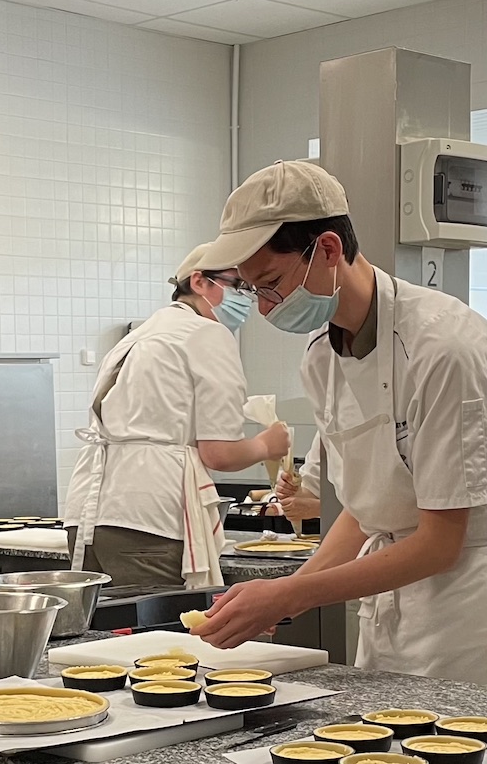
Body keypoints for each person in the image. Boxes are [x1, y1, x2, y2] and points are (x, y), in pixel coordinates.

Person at [194, 159, 487, 685]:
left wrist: (289, 593)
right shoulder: (321, 357)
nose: (264, 310)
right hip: (391, 604)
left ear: (327, 249)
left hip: (466, 607)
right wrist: (286, 601)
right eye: (254, 292)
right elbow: (364, 508)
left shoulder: (443, 349)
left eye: (271, 284)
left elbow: (440, 542)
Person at [63, 244, 291, 590]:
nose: (247, 299)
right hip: (149, 514)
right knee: (156, 634)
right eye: (239, 286)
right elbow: (219, 453)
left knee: (108, 634)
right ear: (199, 281)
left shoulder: (141, 334)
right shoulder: (208, 334)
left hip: (88, 512)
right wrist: (266, 444)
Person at [274, 434, 323, 522]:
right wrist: (294, 490)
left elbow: (355, 508)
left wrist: (321, 508)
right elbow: (313, 488)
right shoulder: (324, 430)